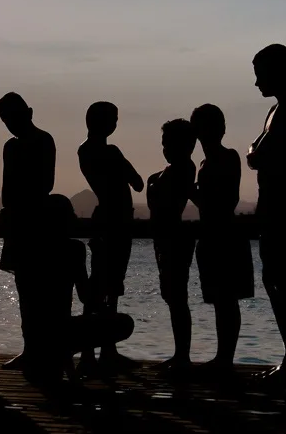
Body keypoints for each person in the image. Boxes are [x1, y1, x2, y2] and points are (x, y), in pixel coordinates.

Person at [247, 44, 286, 384]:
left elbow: (258, 154)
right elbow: (257, 151)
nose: (256, 82)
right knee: (274, 281)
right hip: (271, 204)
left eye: (260, 74)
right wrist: (256, 151)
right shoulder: (275, 109)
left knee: (284, 280)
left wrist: (255, 151)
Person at [29, 194, 135, 384]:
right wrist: (100, 263)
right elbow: (86, 296)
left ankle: (63, 365)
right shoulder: (74, 249)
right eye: (71, 213)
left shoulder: (35, 249)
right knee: (124, 323)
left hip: (37, 333)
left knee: (56, 324)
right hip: (61, 331)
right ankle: (74, 364)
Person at [77, 101, 144, 374]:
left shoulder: (84, 151)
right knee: (107, 286)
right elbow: (137, 182)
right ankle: (100, 351)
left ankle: (98, 351)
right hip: (115, 222)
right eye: (113, 119)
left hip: (105, 219)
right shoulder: (111, 152)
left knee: (101, 286)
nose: (115, 124)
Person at [190, 104, 254, 375]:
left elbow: (226, 200)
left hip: (224, 234)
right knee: (220, 300)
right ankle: (222, 357)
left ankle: (225, 358)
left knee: (226, 299)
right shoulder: (205, 163)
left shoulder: (228, 157)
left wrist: (192, 194)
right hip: (210, 234)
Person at [0, 93, 56, 371]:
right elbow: (6, 188)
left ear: (29, 112)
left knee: (40, 286)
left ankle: (43, 347)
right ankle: (31, 347)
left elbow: (45, 182)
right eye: (6, 121)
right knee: (24, 286)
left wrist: (18, 203)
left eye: (14, 118)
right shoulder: (10, 147)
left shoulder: (44, 140)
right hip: (17, 222)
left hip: (35, 221)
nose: (11, 125)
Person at [147, 119, 197, 375]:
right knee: (171, 295)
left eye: (170, 143)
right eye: (164, 143)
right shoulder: (170, 170)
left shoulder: (185, 168)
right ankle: (180, 354)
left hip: (175, 239)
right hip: (163, 238)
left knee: (177, 296)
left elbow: (165, 198)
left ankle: (182, 356)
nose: (165, 148)